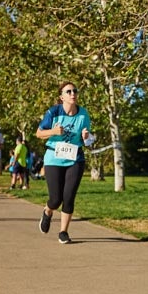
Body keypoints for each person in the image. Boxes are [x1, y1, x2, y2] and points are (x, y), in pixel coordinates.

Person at [35, 82, 93, 245]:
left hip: (75, 159)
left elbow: (88, 141)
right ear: (62, 97)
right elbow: (38, 133)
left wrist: (87, 136)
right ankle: (47, 211)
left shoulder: (83, 114)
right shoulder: (54, 112)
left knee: (68, 197)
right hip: (53, 158)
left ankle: (63, 232)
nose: (73, 93)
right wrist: (53, 131)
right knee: (55, 199)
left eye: (75, 90)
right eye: (69, 91)